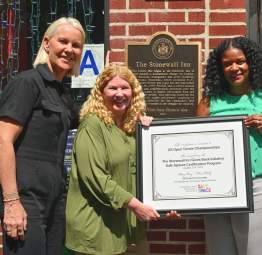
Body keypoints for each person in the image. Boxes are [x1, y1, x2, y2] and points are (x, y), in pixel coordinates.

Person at [65, 64, 178, 255]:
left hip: (129, 226)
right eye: (113, 88)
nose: (120, 93)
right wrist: (136, 205)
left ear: (133, 92)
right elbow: (95, 178)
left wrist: (165, 203)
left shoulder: (132, 128)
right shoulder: (92, 125)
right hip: (98, 227)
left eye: (125, 88)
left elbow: (147, 170)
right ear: (100, 93)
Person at [197, 36, 262, 255]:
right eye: (227, 63)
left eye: (240, 61)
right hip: (217, 190)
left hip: (256, 187)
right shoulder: (208, 103)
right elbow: (197, 150)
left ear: (251, 63)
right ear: (219, 69)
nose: (234, 68)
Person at [0, 17, 85, 254]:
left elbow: (93, 120)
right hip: (26, 199)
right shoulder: (27, 83)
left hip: (56, 200)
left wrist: (136, 118)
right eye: (63, 42)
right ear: (47, 43)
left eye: (76, 45)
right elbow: (2, 140)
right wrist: (11, 203)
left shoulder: (63, 95)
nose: (69, 49)